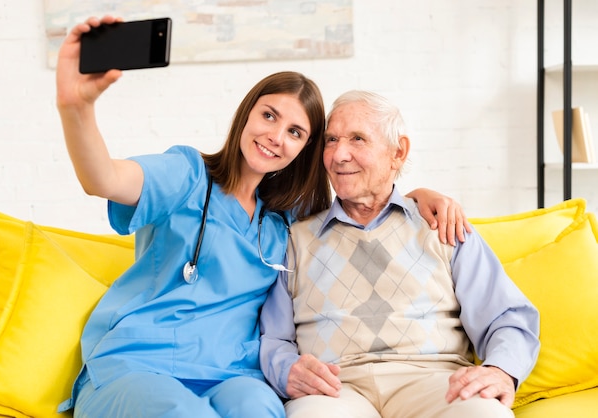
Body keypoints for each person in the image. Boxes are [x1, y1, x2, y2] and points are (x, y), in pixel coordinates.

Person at [55, 16, 470, 418]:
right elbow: (104, 179)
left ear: (305, 149)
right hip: (143, 364)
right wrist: (77, 108)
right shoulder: (186, 173)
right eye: (269, 115)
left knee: (261, 410)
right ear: (247, 114)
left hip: (234, 376)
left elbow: (362, 211)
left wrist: (416, 197)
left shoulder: (290, 219)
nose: (275, 136)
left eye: (295, 132)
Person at [259, 90, 541, 418]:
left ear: (398, 152)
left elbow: (506, 318)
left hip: (436, 382)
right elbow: (273, 337)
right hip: (335, 387)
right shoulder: (294, 238)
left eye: (358, 139)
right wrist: (287, 370)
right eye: (332, 140)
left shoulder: (442, 225)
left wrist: (500, 370)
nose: (339, 155)